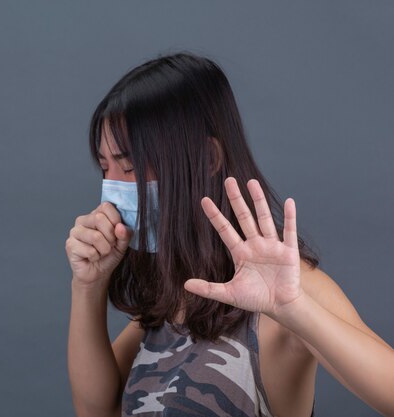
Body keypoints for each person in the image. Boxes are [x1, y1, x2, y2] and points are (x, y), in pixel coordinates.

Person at [65, 51, 394, 417]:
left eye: (128, 167)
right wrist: (88, 286)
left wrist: (295, 310)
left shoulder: (287, 290)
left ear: (207, 160)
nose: (112, 188)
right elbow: (98, 411)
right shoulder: (171, 295)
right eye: (105, 167)